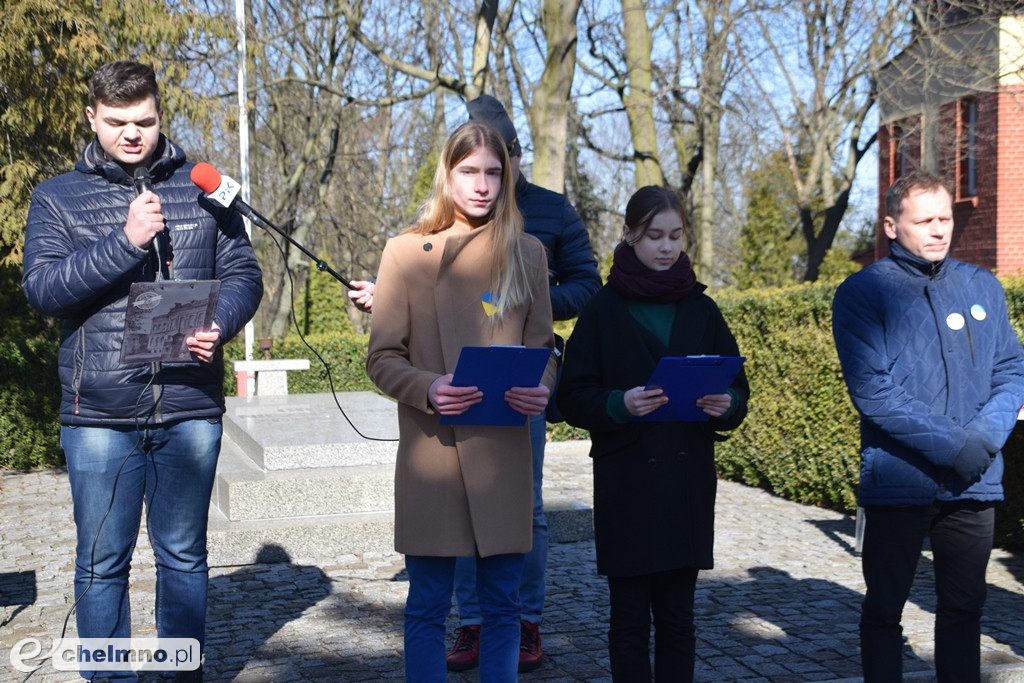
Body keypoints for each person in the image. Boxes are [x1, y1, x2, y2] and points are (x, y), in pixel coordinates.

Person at [21, 61, 264, 682]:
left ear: (160, 114)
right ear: (91, 118)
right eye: (117, 122)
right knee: (102, 562)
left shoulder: (206, 186)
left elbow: (244, 274)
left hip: (189, 405)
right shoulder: (56, 196)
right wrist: (124, 243)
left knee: (183, 557)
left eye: (145, 121)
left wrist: (221, 323)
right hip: (99, 414)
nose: (132, 133)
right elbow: (44, 290)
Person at [350, 94, 601, 672]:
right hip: (432, 452)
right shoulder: (404, 253)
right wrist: (428, 388)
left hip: (502, 449)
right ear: (448, 174)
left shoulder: (528, 254)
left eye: (493, 172)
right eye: (469, 172)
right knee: (427, 604)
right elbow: (382, 357)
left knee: (504, 607)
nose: (483, 185)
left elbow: (542, 348)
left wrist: (542, 385)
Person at [832, 170, 1024, 683]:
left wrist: (983, 441)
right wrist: (956, 446)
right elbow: (872, 390)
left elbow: (1011, 369)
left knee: (964, 608)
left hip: (973, 482)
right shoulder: (863, 292)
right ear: (892, 226)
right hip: (899, 481)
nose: (939, 229)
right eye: (924, 221)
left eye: (945, 218)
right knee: (885, 609)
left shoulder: (982, 286)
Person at [556, 185, 749, 682]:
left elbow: (738, 390)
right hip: (628, 483)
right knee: (628, 621)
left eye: (675, 236)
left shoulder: (702, 309)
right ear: (629, 235)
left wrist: (726, 405)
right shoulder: (601, 309)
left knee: (679, 619)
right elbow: (572, 395)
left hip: (686, 484)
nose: (666, 247)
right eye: (654, 236)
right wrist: (619, 403)